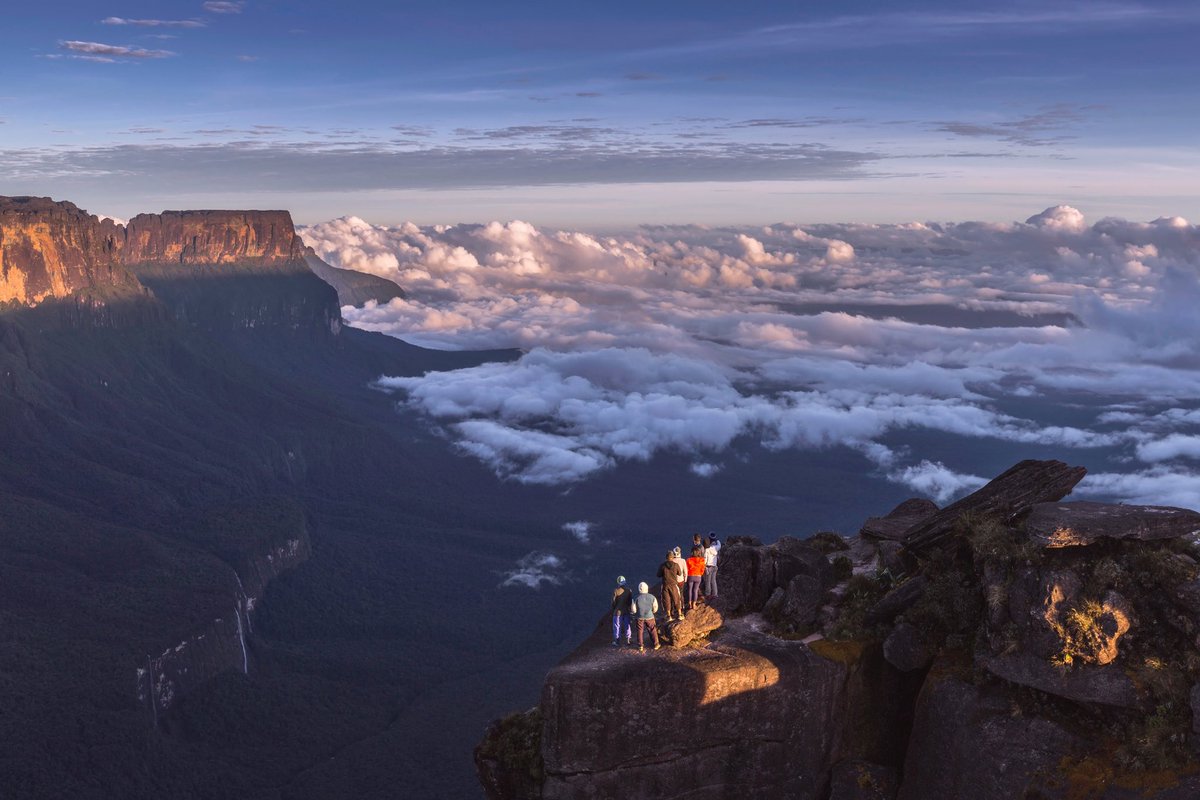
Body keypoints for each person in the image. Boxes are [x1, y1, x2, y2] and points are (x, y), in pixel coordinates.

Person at [631, 581, 661, 652]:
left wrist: (636, 613)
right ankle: (656, 644)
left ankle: (640, 646)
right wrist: (652, 612)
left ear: (639, 589)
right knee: (652, 629)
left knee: (640, 631)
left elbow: (633, 610)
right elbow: (655, 607)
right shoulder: (652, 597)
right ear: (647, 588)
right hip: (650, 616)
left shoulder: (635, 597)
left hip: (639, 617)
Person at [656, 551, 683, 621]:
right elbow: (680, 573)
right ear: (673, 557)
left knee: (667, 600)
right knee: (677, 599)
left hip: (665, 585)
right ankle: (680, 614)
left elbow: (658, 575)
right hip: (674, 585)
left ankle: (669, 616)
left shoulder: (662, 565)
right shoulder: (676, 565)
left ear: (666, 558)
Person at [611, 576, 633, 647]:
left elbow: (613, 603)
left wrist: (615, 608)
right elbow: (630, 602)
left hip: (617, 612)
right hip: (626, 611)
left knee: (617, 626)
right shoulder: (629, 590)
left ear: (618, 582)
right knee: (627, 625)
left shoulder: (616, 591)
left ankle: (617, 641)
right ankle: (628, 640)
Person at [702, 536, 720, 601]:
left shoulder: (706, 550)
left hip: (708, 567)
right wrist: (716, 539)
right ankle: (715, 594)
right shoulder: (715, 548)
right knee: (713, 580)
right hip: (714, 566)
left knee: (708, 581)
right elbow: (719, 545)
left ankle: (708, 594)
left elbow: (705, 560)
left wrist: (704, 567)